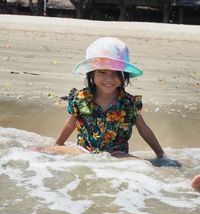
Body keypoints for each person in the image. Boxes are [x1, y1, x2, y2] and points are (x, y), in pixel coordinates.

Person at [35, 37, 180, 166]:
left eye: (115, 73)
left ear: (124, 75)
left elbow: (144, 130)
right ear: (92, 74)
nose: (109, 79)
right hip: (82, 151)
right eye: (102, 72)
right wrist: (58, 144)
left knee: (147, 166)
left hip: (117, 156)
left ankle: (187, 185)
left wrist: (161, 155)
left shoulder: (128, 103)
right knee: (37, 151)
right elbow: (70, 124)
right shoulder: (81, 98)